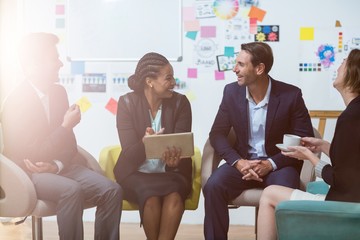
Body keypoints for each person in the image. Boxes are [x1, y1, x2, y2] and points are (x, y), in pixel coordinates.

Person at [1, 32, 122, 240]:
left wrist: (56, 164)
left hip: (60, 168)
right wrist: (65, 127)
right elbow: (32, 153)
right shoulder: (15, 103)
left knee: (112, 190)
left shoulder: (59, 93)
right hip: (28, 173)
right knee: (71, 190)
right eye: (54, 58)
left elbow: (70, 146)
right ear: (33, 66)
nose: (60, 64)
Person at [203, 42, 314, 240]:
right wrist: (238, 162)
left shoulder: (291, 95)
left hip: (279, 165)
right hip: (243, 163)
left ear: (259, 68)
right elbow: (217, 133)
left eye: (240, 64)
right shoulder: (231, 92)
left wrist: (270, 164)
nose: (234, 69)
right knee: (213, 186)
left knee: (286, 191)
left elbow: (303, 139)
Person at [257, 48, 360, 240]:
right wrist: (322, 146)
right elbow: (351, 161)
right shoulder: (355, 113)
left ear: (353, 72)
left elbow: (339, 178)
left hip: (345, 206)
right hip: (351, 200)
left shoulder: (350, 118)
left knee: (269, 195)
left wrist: (310, 157)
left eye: (343, 63)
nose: (338, 67)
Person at [113, 52, 192, 240]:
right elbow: (130, 154)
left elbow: (182, 147)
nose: (173, 82)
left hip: (172, 173)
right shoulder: (126, 103)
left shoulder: (181, 103)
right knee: (151, 198)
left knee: (174, 197)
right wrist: (145, 143)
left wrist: (174, 162)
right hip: (135, 173)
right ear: (150, 81)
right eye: (168, 78)